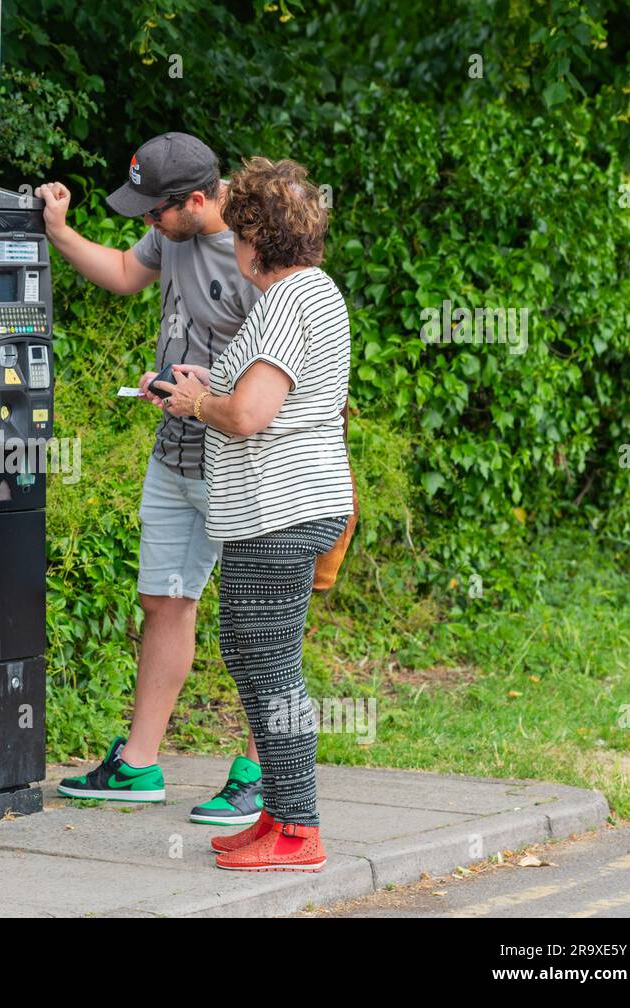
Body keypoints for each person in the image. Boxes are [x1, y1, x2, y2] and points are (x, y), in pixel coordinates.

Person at [36, 133, 268, 828]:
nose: (145, 225)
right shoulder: (170, 238)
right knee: (163, 600)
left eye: (155, 212)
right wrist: (58, 231)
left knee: (261, 622)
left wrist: (208, 386)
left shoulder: (261, 258)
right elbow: (122, 274)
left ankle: (261, 775)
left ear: (198, 200)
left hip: (240, 460)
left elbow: (281, 375)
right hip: (176, 453)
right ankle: (138, 765)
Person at [155, 156, 354, 871]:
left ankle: (298, 832)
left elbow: (249, 414)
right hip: (293, 505)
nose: (231, 244)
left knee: (270, 671)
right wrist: (216, 382)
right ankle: (277, 813)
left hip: (279, 510)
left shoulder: (283, 301)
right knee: (258, 660)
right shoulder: (316, 292)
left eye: (237, 231)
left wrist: (193, 402)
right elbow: (276, 393)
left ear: (253, 239)